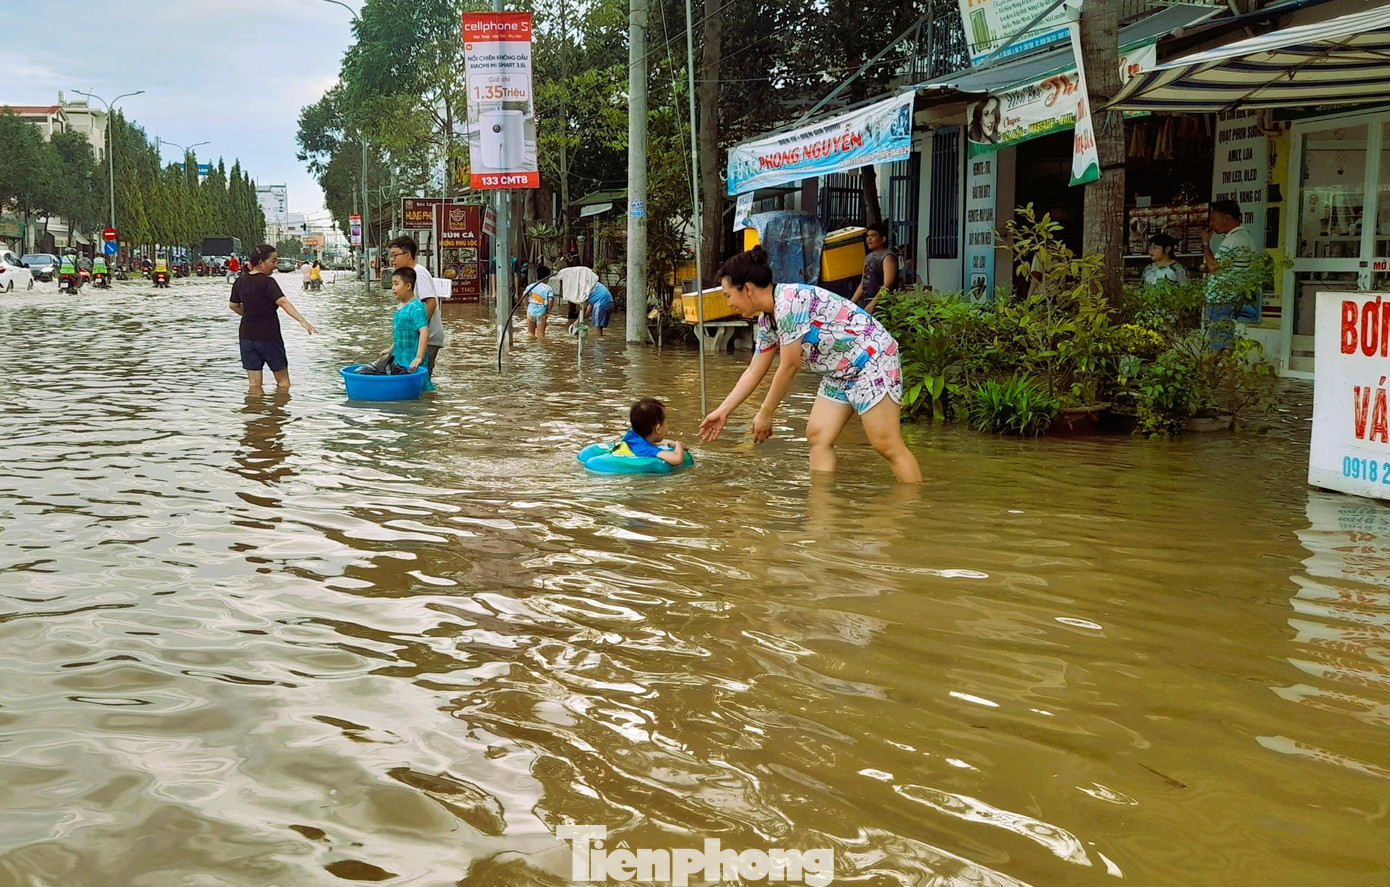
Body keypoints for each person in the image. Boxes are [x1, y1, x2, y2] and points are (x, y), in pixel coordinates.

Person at [698, 247, 922, 483]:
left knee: (885, 444)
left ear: (747, 289)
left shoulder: (789, 303)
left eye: (728, 295)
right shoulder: (767, 320)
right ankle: (821, 511)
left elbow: (789, 366)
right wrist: (723, 411)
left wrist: (766, 412)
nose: (729, 303)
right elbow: (754, 370)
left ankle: (914, 508)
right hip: (840, 372)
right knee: (818, 436)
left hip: (872, 360)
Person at [230, 244, 318, 395]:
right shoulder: (267, 282)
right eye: (273, 261)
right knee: (283, 384)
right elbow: (283, 302)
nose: (276, 266)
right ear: (260, 262)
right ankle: (278, 416)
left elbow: (233, 305)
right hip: (269, 337)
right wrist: (302, 320)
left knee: (254, 385)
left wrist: (250, 314)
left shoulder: (240, 281)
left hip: (246, 337)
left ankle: (255, 415)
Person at [364, 266, 433, 390]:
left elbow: (424, 331)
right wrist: (390, 349)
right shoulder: (400, 306)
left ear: (408, 286)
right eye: (392, 284)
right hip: (399, 358)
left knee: (420, 389)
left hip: (413, 360)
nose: (393, 288)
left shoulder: (416, 307)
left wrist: (419, 357)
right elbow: (402, 334)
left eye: (396, 284)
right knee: (402, 388)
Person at [1201, 199, 1259, 344]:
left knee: (1219, 342)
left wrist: (1205, 243)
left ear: (1227, 218)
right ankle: (1222, 367)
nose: (1211, 224)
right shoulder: (1241, 237)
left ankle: (1213, 367)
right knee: (1223, 341)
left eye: (1214, 219)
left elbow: (1214, 267)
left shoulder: (1234, 239)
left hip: (1223, 299)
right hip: (1228, 298)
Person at [388, 236, 444, 376]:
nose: (392, 260)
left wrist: (420, 330)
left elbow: (430, 302)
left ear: (408, 255)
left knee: (421, 375)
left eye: (395, 255)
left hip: (427, 339)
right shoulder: (410, 274)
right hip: (420, 338)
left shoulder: (419, 273)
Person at [617, 398, 686, 466]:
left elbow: (651, 443)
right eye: (665, 422)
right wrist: (678, 444)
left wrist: (669, 443)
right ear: (658, 429)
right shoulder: (648, 449)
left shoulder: (631, 436)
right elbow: (677, 459)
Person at [851, 222, 899, 314]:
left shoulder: (887, 256)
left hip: (881, 304)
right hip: (865, 302)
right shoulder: (868, 257)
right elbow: (863, 283)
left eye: (873, 236)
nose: (868, 239)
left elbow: (887, 285)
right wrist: (851, 302)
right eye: (867, 236)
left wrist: (873, 304)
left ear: (882, 239)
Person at [523, 265, 554, 339]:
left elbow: (524, 296)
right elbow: (550, 300)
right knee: (541, 336)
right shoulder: (548, 288)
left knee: (530, 334)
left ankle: (530, 349)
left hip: (530, 311)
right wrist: (548, 310)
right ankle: (541, 350)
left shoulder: (531, 286)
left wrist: (526, 307)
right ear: (547, 278)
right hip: (541, 312)